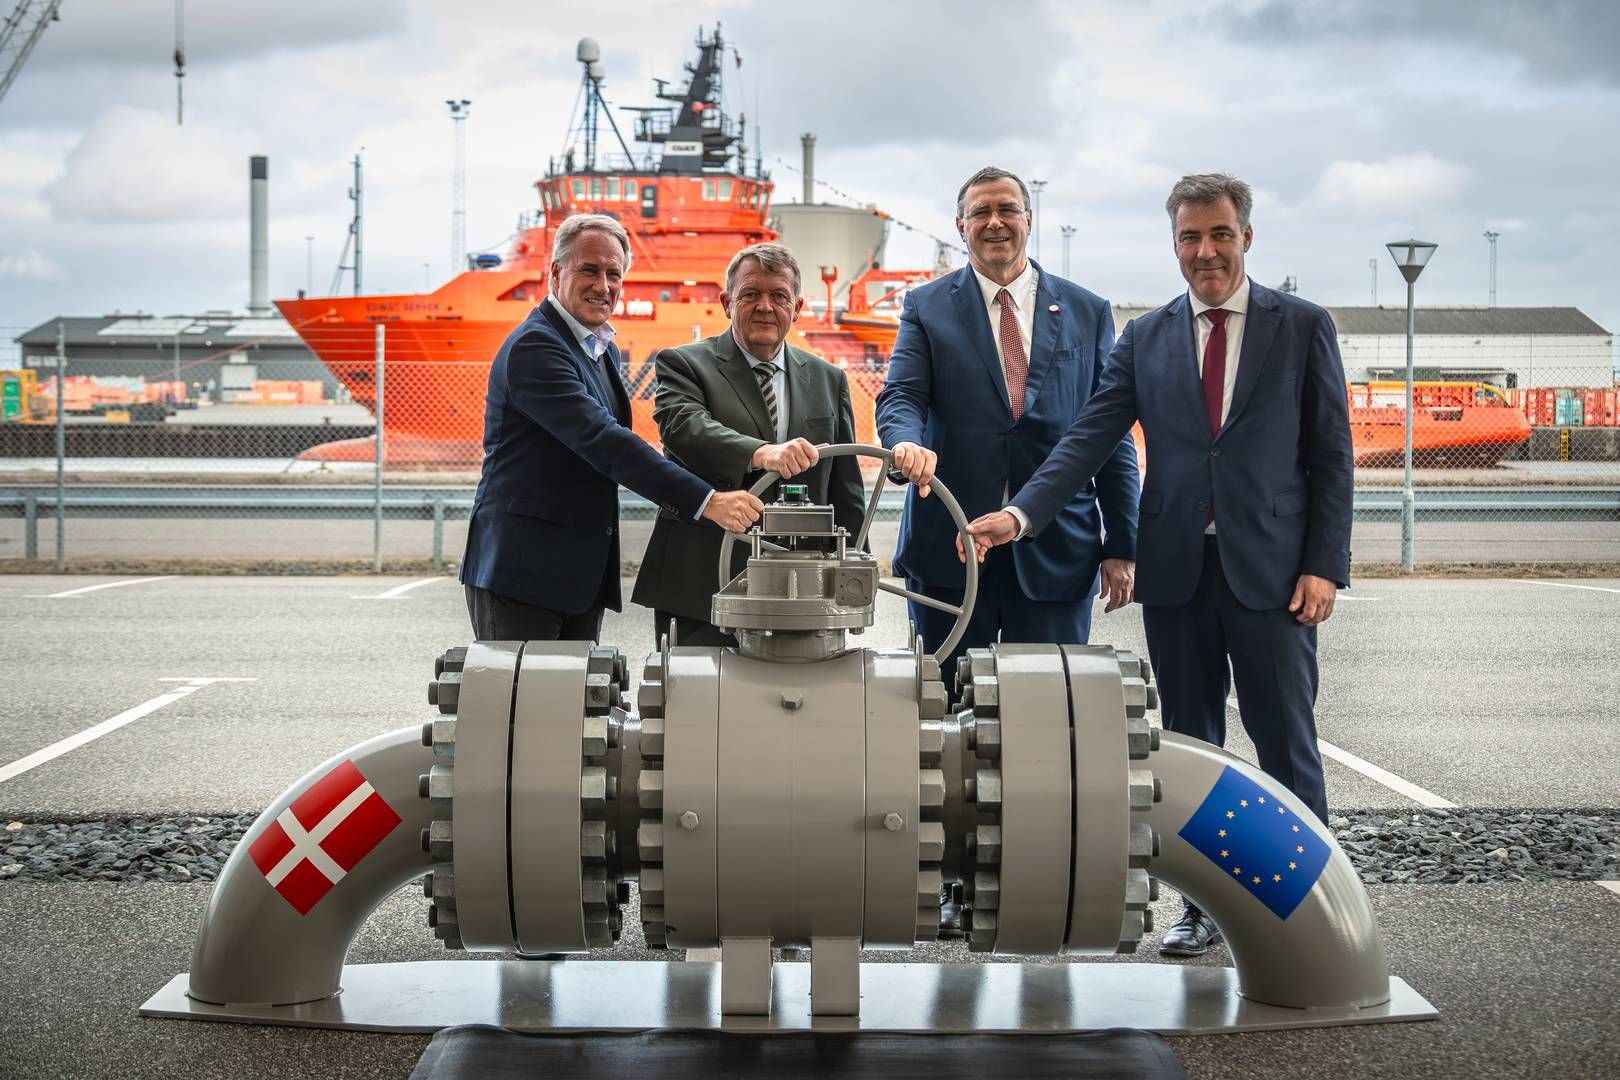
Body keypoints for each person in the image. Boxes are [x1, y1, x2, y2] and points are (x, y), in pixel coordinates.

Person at [964, 173, 1354, 957]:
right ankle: (1205, 907)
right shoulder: (1146, 337)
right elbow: (1088, 439)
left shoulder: (1302, 326)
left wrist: (1324, 565)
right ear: (1173, 243)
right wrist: (1020, 513)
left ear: (1246, 236)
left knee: (1284, 742)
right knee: (1191, 745)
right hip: (1176, 571)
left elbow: (1331, 455)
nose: (1204, 251)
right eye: (1189, 238)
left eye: (1218, 234)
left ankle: (1301, 912)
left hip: (1274, 573)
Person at [876, 166, 1139, 678]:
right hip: (949, 549)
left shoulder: (1088, 311)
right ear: (960, 225)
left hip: (1058, 551)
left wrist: (1123, 545)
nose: (995, 222)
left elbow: (1112, 437)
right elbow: (902, 395)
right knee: (941, 711)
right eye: (980, 212)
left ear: (1029, 218)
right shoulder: (926, 308)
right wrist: (904, 443)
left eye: (1006, 210)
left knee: (1045, 714)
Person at [460, 213, 763, 642]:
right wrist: (706, 500)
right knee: (523, 706)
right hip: (523, 576)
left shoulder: (596, 346)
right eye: (589, 269)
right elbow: (603, 441)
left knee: (573, 705)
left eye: (614, 274)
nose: (603, 285)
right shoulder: (536, 346)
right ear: (555, 272)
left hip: (575, 578)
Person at [631, 242, 867, 645]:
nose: (765, 306)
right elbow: (684, 427)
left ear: (796, 307)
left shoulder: (829, 379)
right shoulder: (684, 364)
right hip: (700, 587)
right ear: (726, 302)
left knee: (801, 703)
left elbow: (845, 488)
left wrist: (852, 576)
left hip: (804, 592)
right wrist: (763, 453)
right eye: (750, 294)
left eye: (779, 296)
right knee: (697, 702)